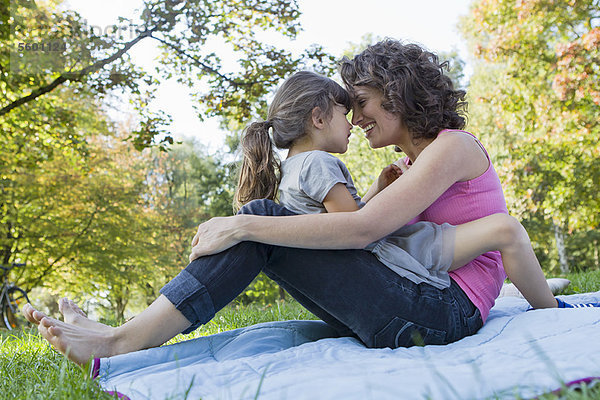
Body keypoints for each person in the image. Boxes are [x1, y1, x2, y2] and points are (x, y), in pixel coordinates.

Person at [22, 41, 595, 368]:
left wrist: (244, 222)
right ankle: (124, 334)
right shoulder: (416, 166)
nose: (360, 115)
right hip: (420, 304)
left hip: (443, 314)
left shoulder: (453, 147)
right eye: (352, 106)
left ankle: (123, 342)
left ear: (398, 93)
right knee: (267, 228)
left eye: (364, 102)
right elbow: (373, 234)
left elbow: (358, 231)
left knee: (265, 224)